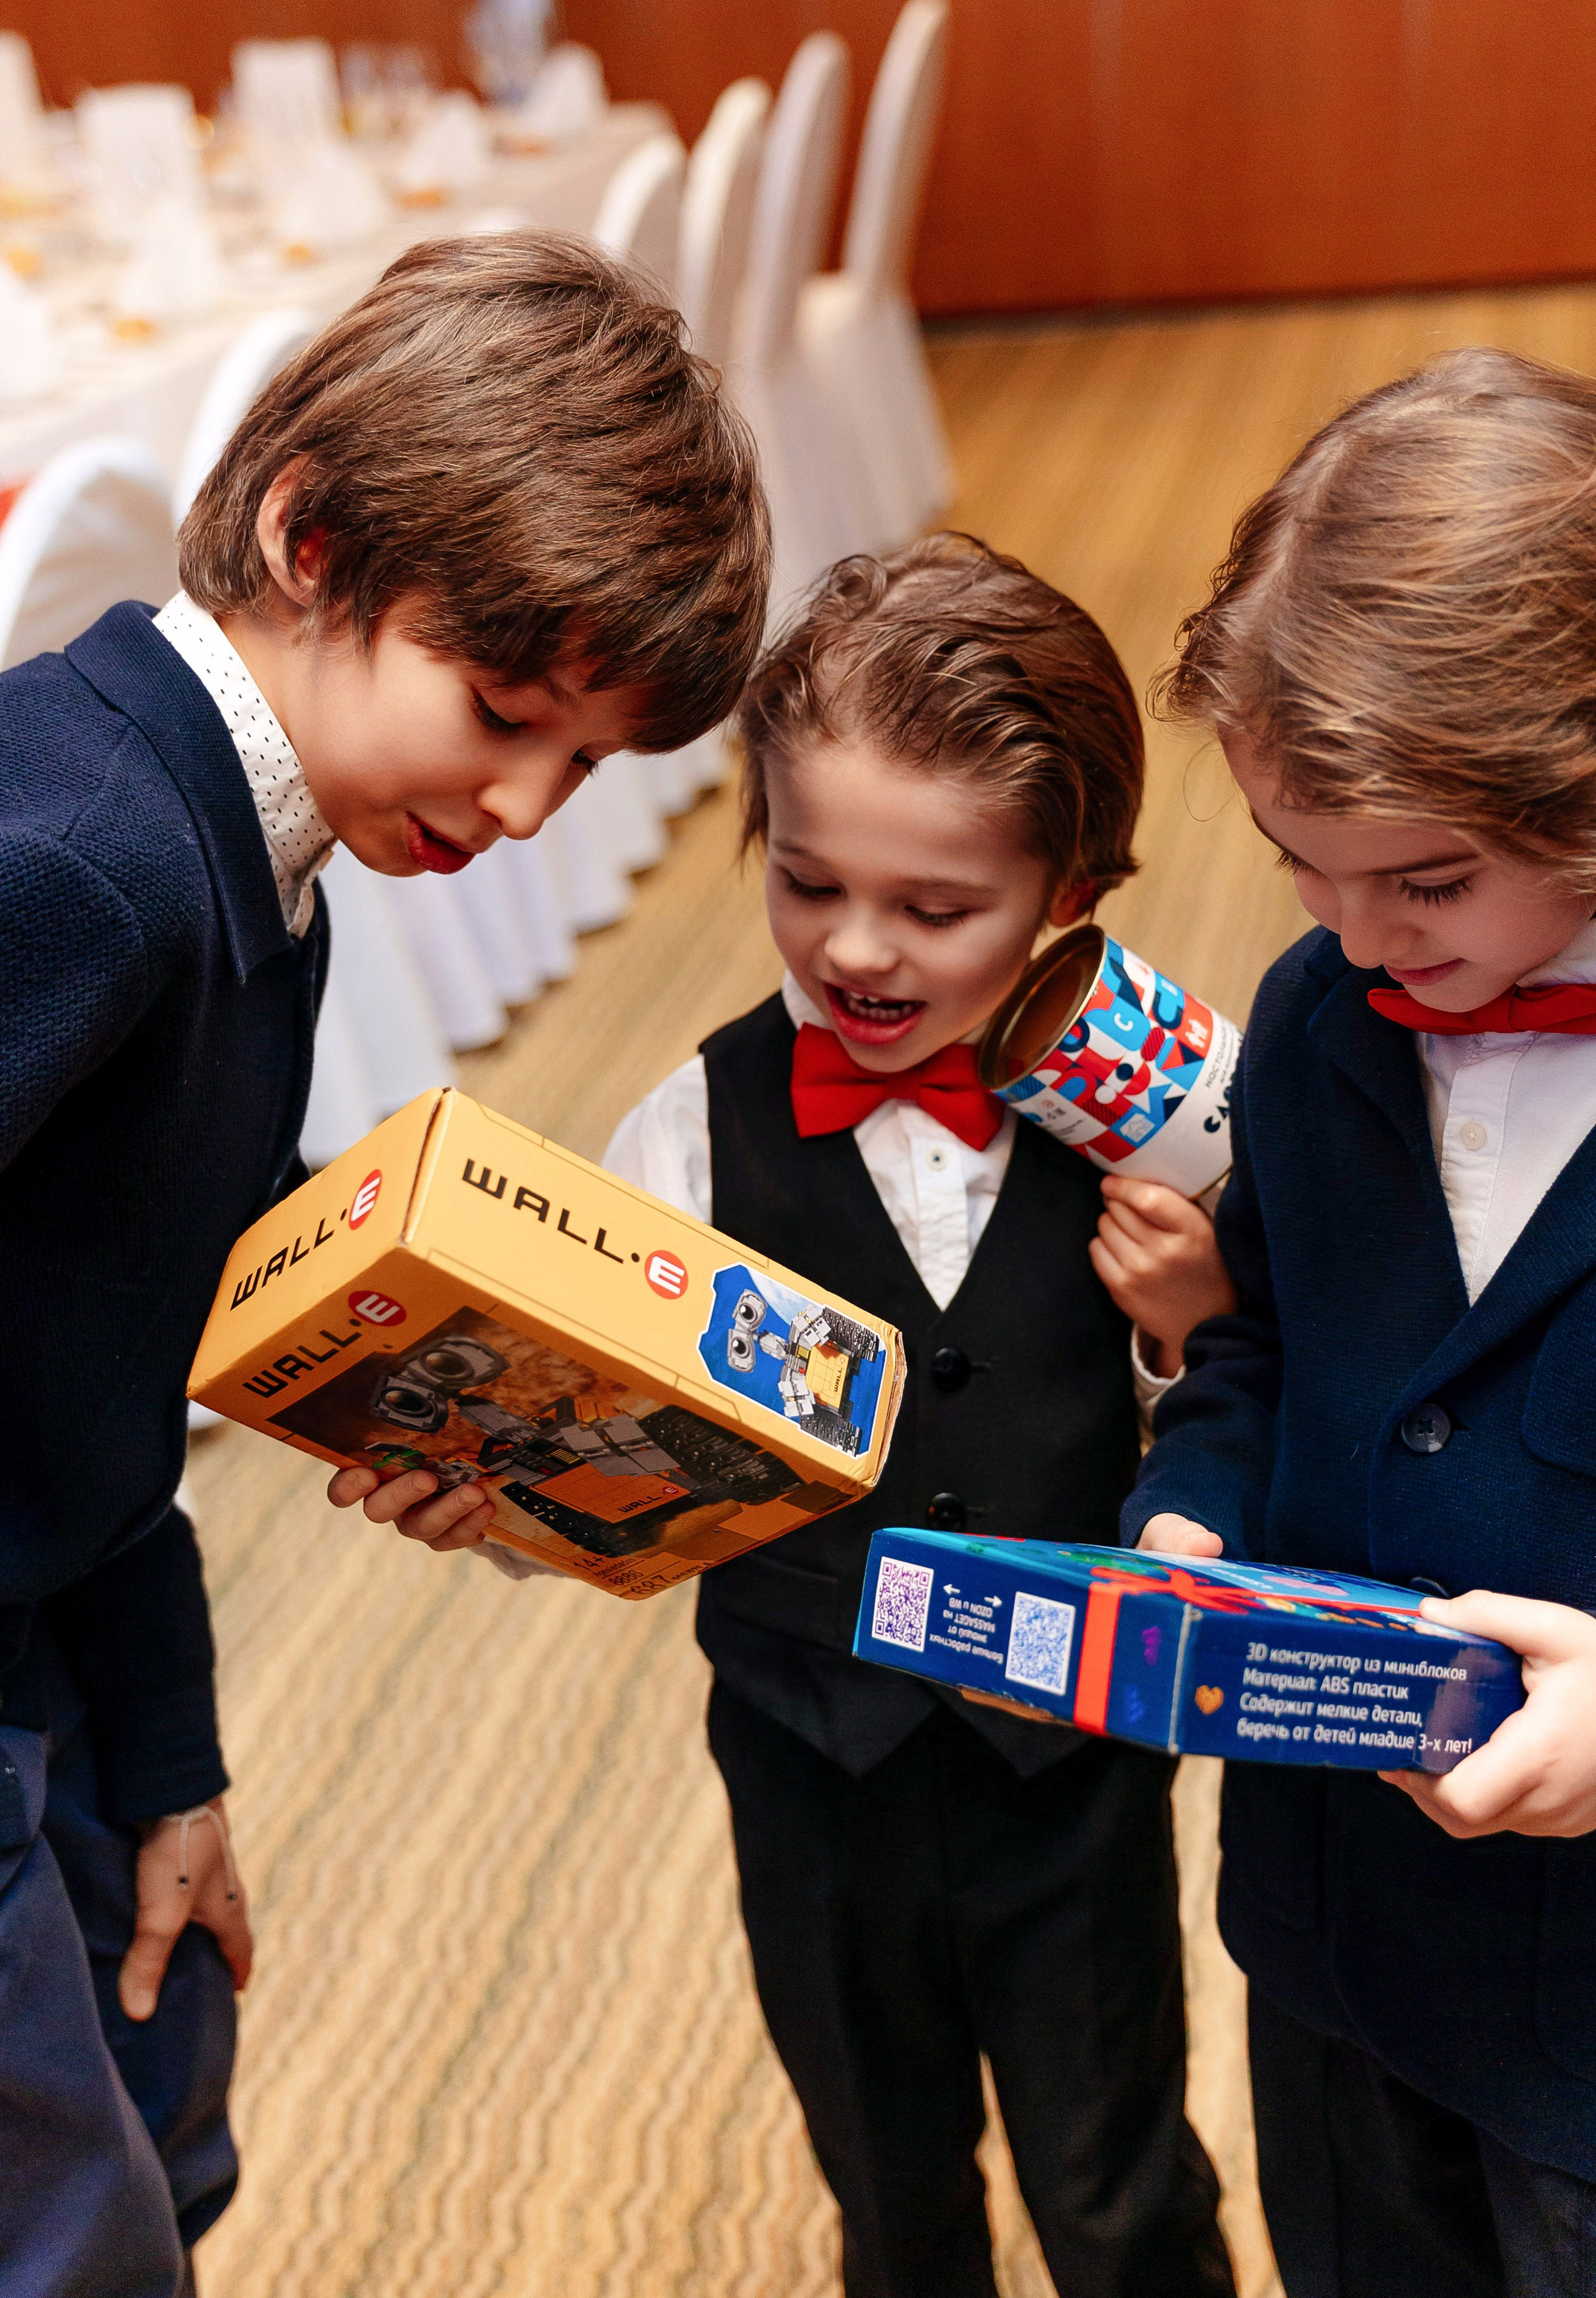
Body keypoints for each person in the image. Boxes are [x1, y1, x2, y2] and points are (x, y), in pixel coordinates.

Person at [0, 228, 767, 2297]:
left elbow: (97, 1365)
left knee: (168, 2100)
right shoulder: (79, 854)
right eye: (503, 706)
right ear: (307, 536)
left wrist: (164, 1757)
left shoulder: (264, 868)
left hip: (61, 1621)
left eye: (588, 764)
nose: (525, 801)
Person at [341, 534, 1238, 2297]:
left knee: (1115, 2165)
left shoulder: (1150, 1121)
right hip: (807, 1750)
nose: (860, 951)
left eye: (936, 907)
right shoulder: (691, 1127)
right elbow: (608, 1421)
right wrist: (504, 1500)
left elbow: (1222, 1430)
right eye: (811, 881)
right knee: (884, 2170)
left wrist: (1185, 1329)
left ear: (1074, 887)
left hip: (1072, 1758)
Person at [1128, 347, 1596, 2298]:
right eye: (1300, 865)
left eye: (1424, 877)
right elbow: (1269, 1345)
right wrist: (1194, 1509)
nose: (1357, 930)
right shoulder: (1325, 1018)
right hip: (1333, 1922)